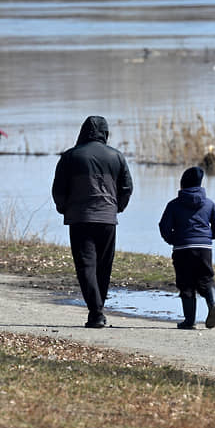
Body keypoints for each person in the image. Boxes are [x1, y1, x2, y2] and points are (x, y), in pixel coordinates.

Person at [52, 116, 133, 328]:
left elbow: (58, 189)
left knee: (86, 266)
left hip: (79, 219)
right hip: (107, 218)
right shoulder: (117, 156)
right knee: (104, 266)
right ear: (105, 133)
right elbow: (126, 188)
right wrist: (117, 207)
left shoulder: (70, 156)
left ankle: (96, 312)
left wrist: (64, 209)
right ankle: (98, 310)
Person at [158, 166, 215, 329]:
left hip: (182, 249)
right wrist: (210, 236)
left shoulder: (174, 204)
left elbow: (164, 226)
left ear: (182, 184)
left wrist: (173, 240)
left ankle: (190, 321)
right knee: (206, 278)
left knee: (186, 283)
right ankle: (213, 303)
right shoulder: (209, 204)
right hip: (204, 248)